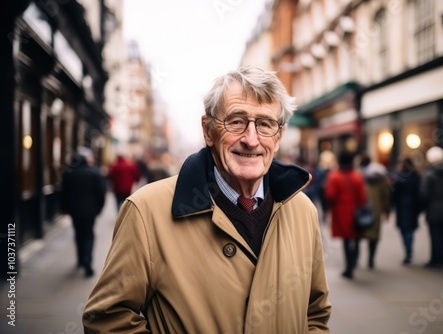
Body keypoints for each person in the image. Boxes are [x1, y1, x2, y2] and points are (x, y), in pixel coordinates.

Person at [83, 66, 331, 333]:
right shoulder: (147, 212)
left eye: (265, 124)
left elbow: (315, 313)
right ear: (208, 130)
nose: (251, 139)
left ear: (279, 136)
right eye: (236, 121)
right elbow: (107, 319)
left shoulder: (302, 210)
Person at [61, 148, 106, 277]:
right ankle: (87, 259)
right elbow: (101, 193)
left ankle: (81, 259)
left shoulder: (69, 174)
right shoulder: (94, 173)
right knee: (89, 234)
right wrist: (99, 208)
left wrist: (65, 208)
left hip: (74, 211)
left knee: (78, 233)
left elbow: (64, 194)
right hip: (90, 211)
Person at [324, 151, 367, 279]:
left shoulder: (335, 177)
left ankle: (349, 267)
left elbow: (330, 195)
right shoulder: (357, 176)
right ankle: (354, 260)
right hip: (356, 211)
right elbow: (363, 197)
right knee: (356, 236)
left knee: (347, 240)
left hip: (341, 212)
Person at [420, 146, 443, 269]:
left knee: (435, 235)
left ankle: (436, 260)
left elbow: (424, 194)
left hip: (434, 209)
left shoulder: (430, 174)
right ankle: (442, 257)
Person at [358, 154, 391, 270]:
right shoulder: (381, 178)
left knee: (357, 235)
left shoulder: (359, 176)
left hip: (361, 209)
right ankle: (371, 259)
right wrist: (387, 210)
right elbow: (386, 195)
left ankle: (355, 260)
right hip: (375, 210)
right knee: (374, 236)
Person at [392, 156, 421, 265]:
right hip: (413, 206)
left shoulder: (400, 177)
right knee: (409, 231)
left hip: (403, 206)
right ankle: (409, 250)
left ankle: (408, 251)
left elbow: (394, 192)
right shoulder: (416, 177)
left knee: (405, 231)